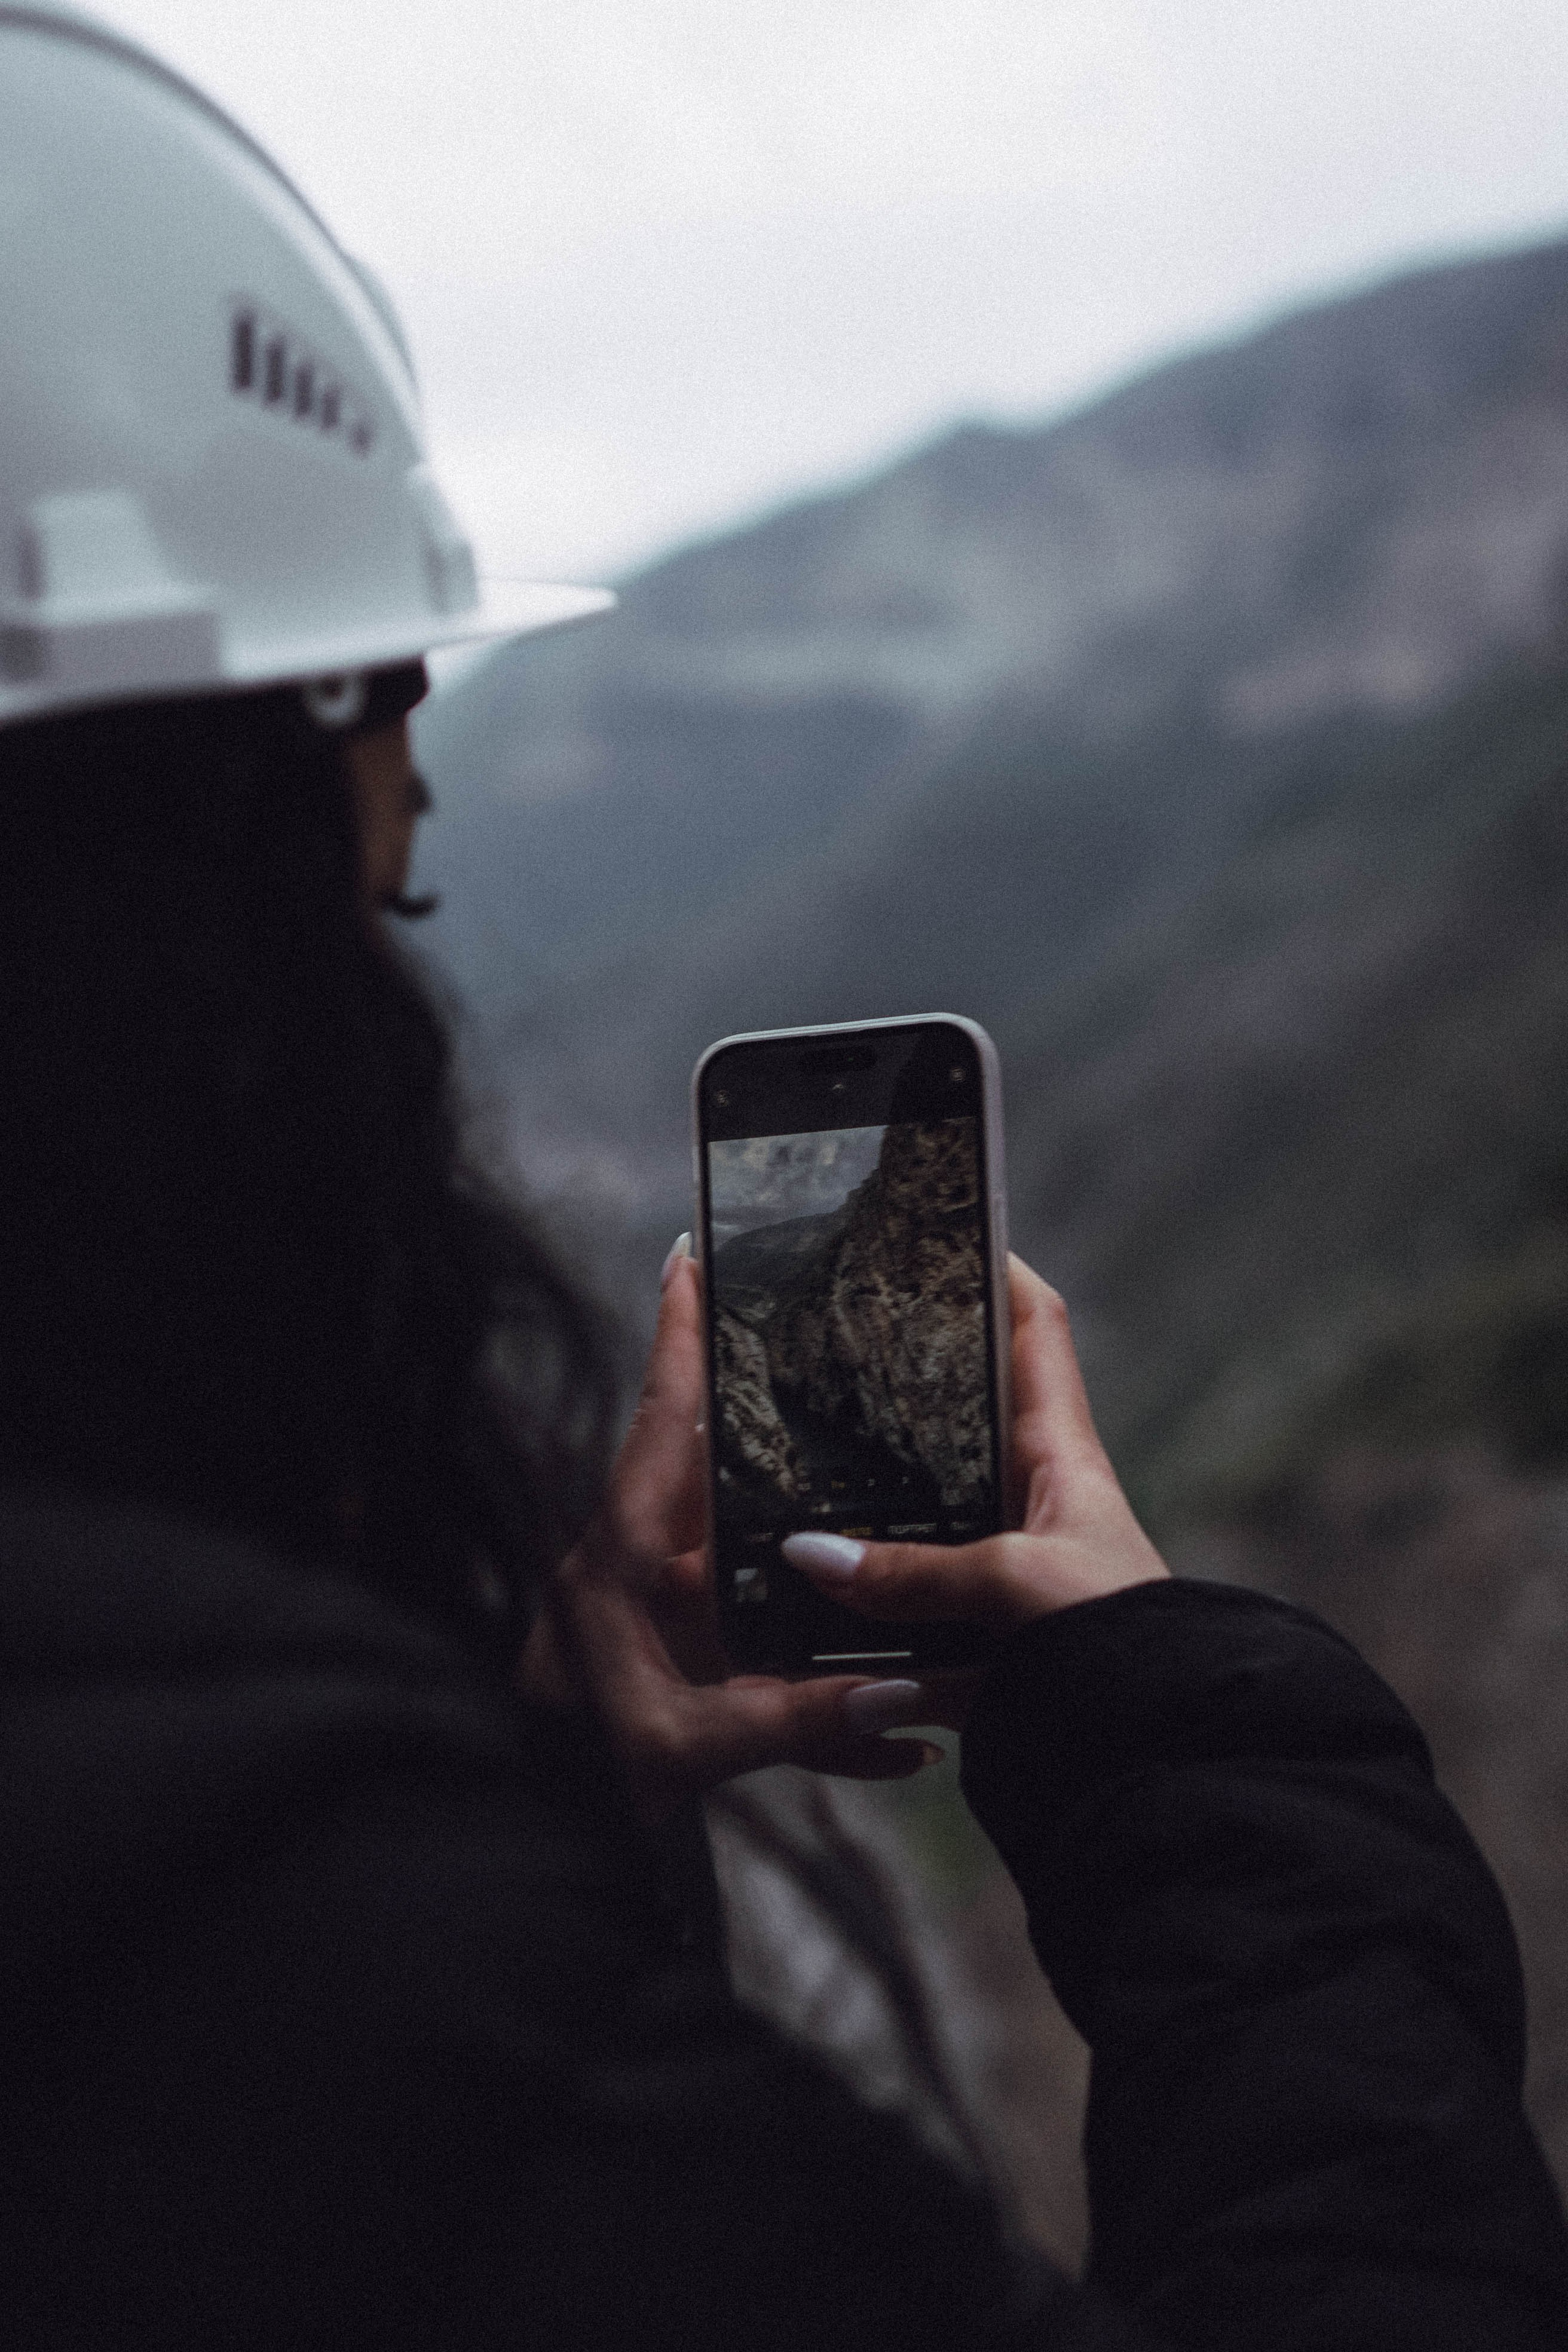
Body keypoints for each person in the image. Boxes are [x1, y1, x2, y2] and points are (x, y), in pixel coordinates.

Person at [2, 7, 1566, 2347]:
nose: (409, 870)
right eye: (374, 792)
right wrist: (1213, 1767)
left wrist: (519, 1782)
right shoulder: (324, 1971)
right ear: (177, 910)